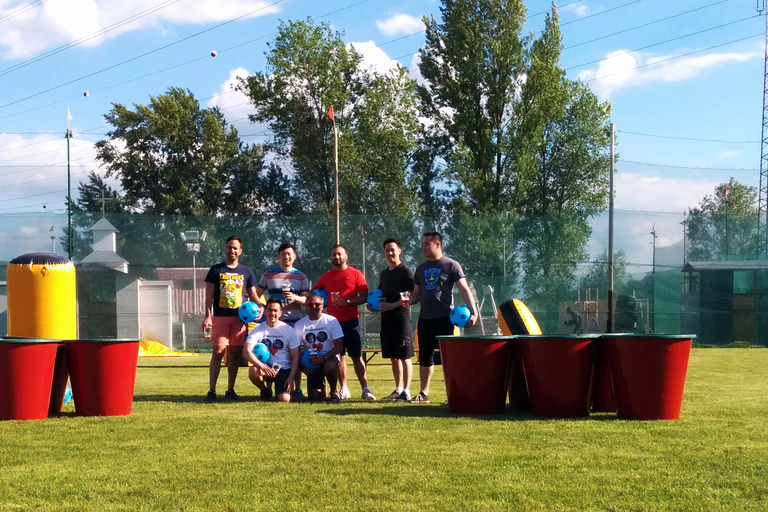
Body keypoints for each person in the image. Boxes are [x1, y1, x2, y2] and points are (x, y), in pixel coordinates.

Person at [410, 232, 478, 403]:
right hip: (425, 319)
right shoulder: (420, 268)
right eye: (423, 243)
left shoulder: (451, 265)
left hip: (445, 318)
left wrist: (474, 311)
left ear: (438, 244)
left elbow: (464, 289)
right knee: (425, 357)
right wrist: (405, 301)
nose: (424, 246)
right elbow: (416, 294)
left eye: (427, 243)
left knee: (449, 359)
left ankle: (452, 395)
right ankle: (423, 394)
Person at [313, 244, 375, 400]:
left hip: (351, 322)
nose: (337, 257)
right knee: (339, 357)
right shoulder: (327, 276)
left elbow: (364, 296)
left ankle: (365, 389)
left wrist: (347, 302)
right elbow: (314, 294)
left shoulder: (355, 274)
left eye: (339, 254)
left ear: (346, 256)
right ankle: (344, 389)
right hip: (333, 324)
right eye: (334, 254)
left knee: (356, 356)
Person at [202, 235, 259, 402]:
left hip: (240, 320)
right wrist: (208, 316)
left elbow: (254, 295)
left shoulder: (246, 271)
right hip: (220, 318)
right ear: (225, 249)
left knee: (234, 355)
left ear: (240, 251)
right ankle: (212, 390)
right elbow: (209, 295)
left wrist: (261, 308)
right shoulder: (216, 270)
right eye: (230, 247)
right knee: (218, 353)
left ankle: (230, 390)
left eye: (235, 248)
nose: (232, 250)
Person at [255, 242, 310, 399]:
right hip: (271, 324)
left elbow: (307, 300)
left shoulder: (301, 276)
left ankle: (297, 389)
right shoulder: (269, 274)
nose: (286, 256)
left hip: (293, 323)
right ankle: (268, 388)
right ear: (279, 256)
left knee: (294, 356)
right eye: (283, 254)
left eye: (289, 254)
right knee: (270, 353)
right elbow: (256, 294)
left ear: (294, 256)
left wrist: (295, 297)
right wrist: (260, 306)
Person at [375, 238, 415, 402]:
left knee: (405, 356)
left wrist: (393, 305)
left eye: (393, 249)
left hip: (401, 318)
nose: (390, 253)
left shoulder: (405, 271)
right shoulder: (384, 274)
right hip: (387, 320)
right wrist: (373, 305)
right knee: (394, 356)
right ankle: (398, 389)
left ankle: (406, 391)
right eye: (387, 250)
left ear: (399, 250)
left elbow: (410, 295)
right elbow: (378, 295)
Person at [243, 299, 300, 402]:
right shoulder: (257, 330)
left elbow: (295, 356)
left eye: (275, 310)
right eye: (269, 310)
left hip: (283, 368)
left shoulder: (288, 330)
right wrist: (262, 366)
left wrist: (291, 378)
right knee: (253, 371)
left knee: (285, 399)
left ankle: (280, 390)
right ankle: (265, 390)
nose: (272, 313)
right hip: (266, 367)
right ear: (265, 311)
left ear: (280, 313)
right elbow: (246, 352)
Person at [293, 293, 344, 402]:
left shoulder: (331, 321)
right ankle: (321, 387)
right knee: (314, 396)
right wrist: (303, 367)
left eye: (317, 304)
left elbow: (339, 346)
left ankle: (334, 391)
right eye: (310, 305)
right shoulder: (299, 324)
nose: (314, 307)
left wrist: (324, 358)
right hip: (311, 361)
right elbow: (296, 350)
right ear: (306, 306)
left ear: (322, 305)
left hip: (329, 357)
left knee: (329, 366)